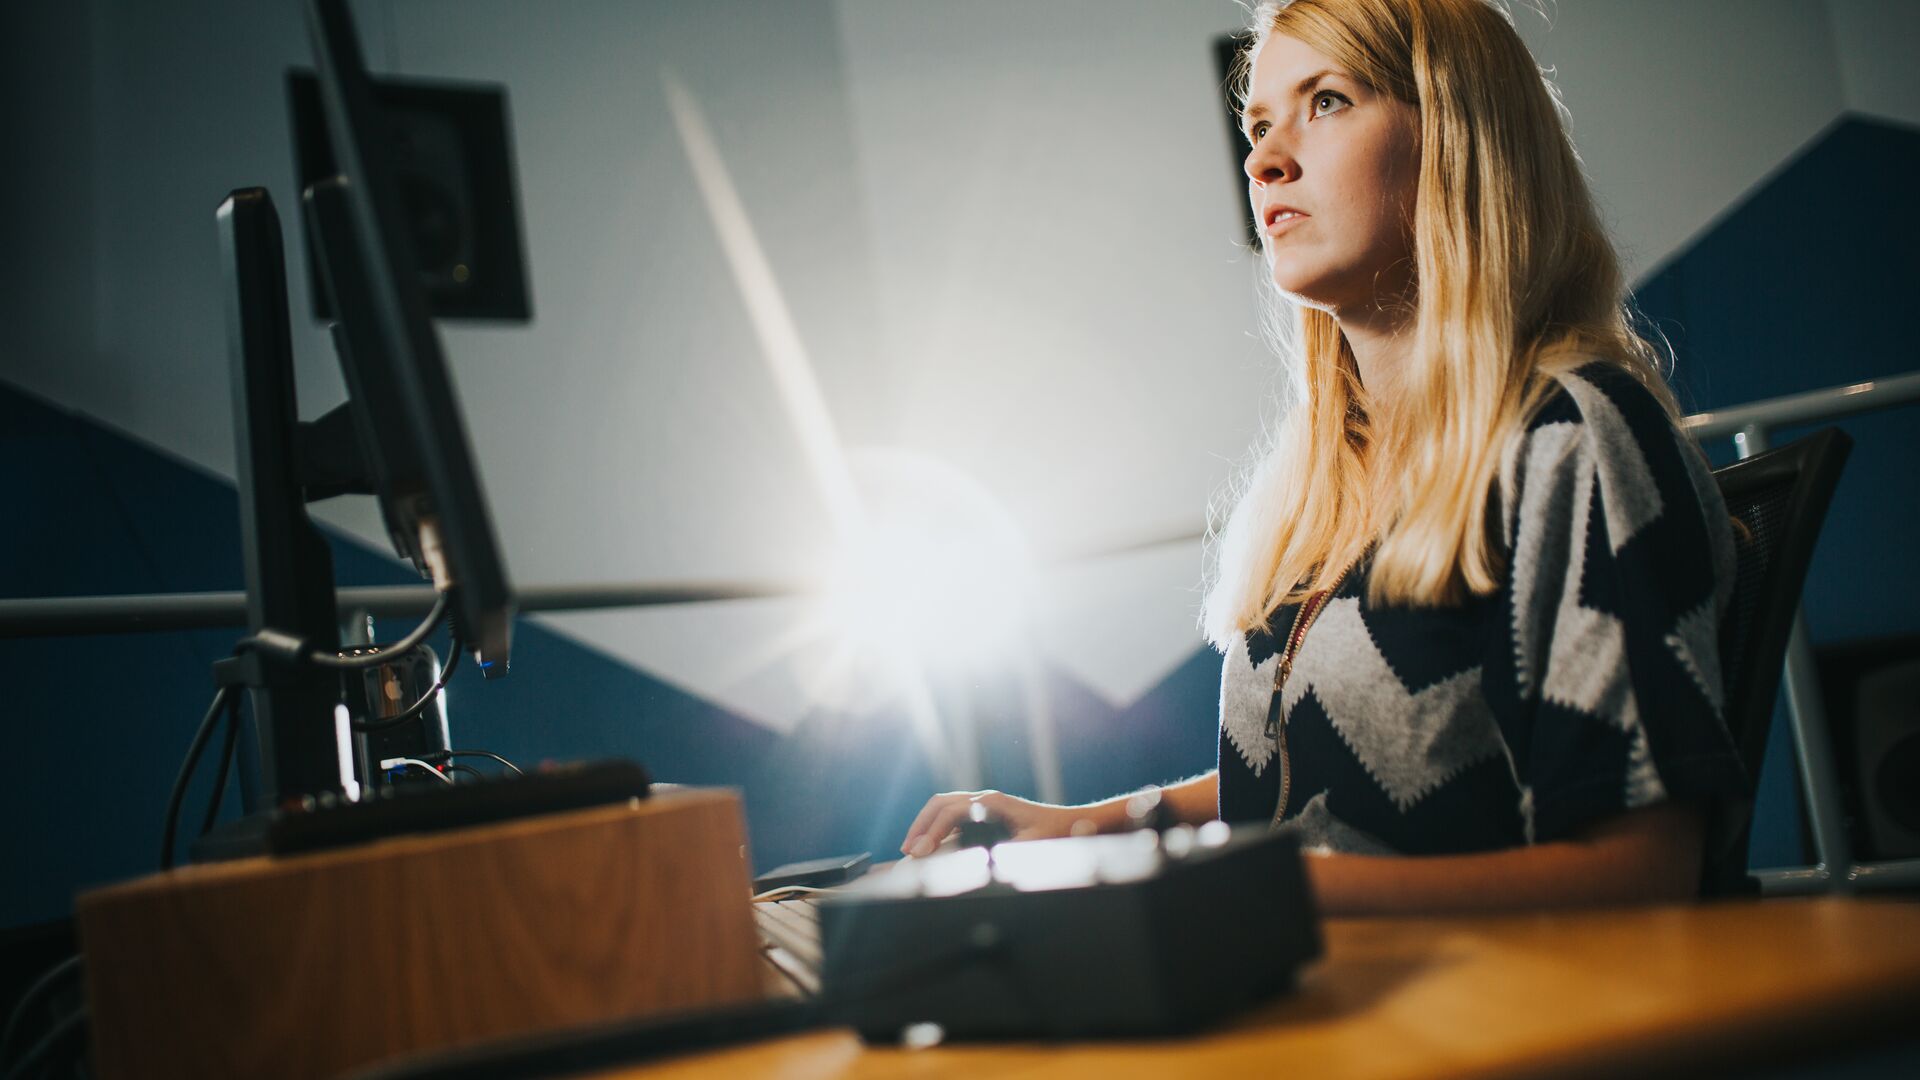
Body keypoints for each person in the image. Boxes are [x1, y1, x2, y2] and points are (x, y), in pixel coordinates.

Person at [899, 0, 1748, 915]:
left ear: (1456, 135)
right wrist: (1093, 825)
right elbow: (1320, 798)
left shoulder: (1571, 439)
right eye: (1260, 124)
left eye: (1329, 101)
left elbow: (1643, 878)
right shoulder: (1325, 485)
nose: (1265, 158)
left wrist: (1272, 889)